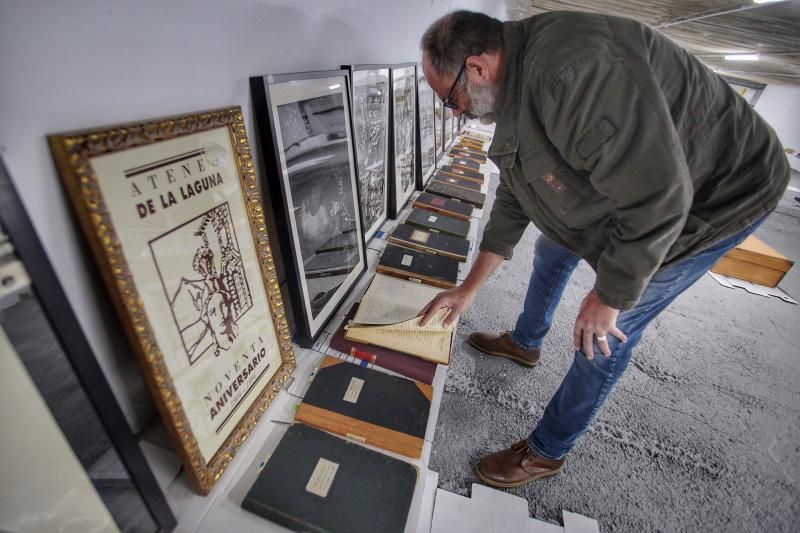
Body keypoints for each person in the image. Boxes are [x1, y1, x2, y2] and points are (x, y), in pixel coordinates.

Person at [418, 10, 789, 488]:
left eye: (451, 98)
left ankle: (549, 451)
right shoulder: (518, 77)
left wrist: (610, 295)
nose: (455, 111)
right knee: (554, 249)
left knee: (606, 332)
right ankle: (526, 344)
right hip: (648, 180)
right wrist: (469, 288)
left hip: (718, 192)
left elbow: (659, 197)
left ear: (477, 68)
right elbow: (517, 191)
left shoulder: (574, 74)